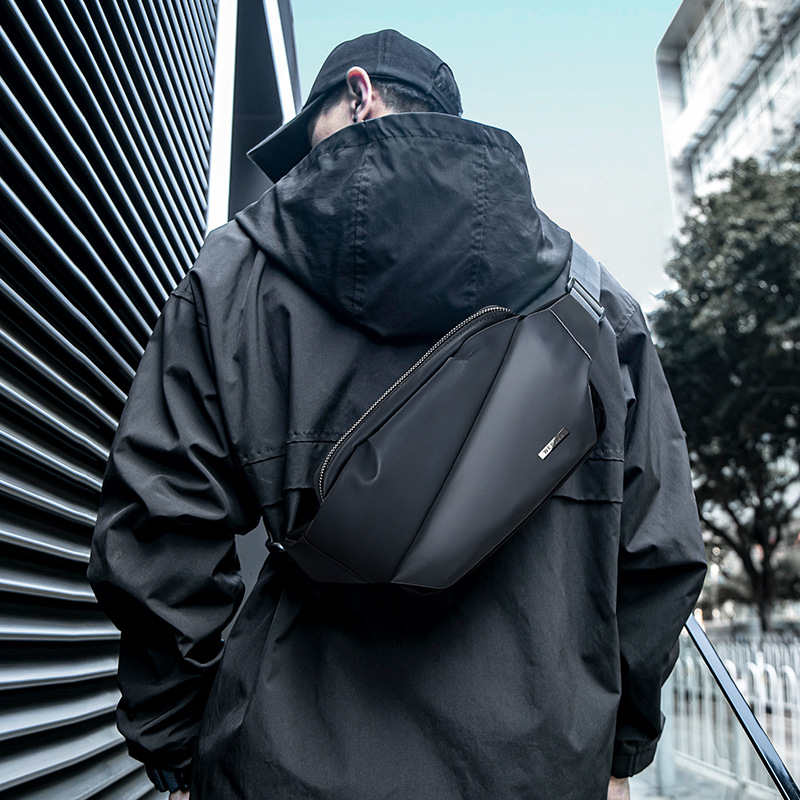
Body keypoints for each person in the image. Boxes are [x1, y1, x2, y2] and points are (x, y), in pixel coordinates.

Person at [88, 30, 706, 800]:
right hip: (539, 773)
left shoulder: (232, 279)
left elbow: (158, 531)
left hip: (283, 769)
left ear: (359, 93)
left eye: (309, 135)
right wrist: (621, 754)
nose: (301, 172)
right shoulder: (597, 307)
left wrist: (177, 751)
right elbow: (660, 555)